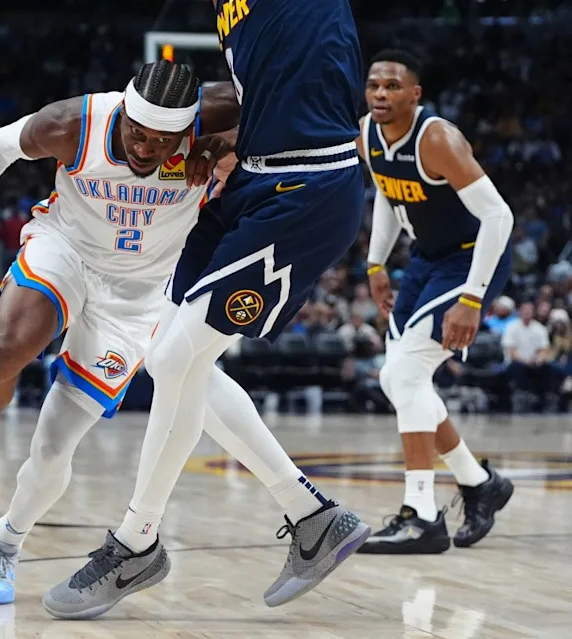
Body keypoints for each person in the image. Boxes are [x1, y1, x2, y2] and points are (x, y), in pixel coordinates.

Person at [0, 61, 264, 606]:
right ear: (126, 111)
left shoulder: (221, 114)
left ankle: (4, 543)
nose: (146, 148)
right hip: (66, 249)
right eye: (138, 133)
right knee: (6, 348)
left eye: (164, 140)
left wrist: (230, 140)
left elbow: (293, 108)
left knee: (54, 446)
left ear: (188, 128)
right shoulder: (74, 124)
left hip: (141, 292)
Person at [43, 0, 371, 618]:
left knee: (174, 360)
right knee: (168, 349)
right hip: (250, 178)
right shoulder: (229, 12)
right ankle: (312, 517)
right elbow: (269, 88)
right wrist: (223, 138)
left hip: (310, 187)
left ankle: (136, 541)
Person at [355, 50, 514, 554]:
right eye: (374, 86)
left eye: (393, 86)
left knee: (402, 376)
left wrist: (472, 297)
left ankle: (422, 515)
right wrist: (376, 263)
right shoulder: (367, 135)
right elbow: (386, 193)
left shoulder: (437, 139)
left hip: (472, 260)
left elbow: (499, 218)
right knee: (396, 377)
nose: (381, 94)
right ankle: (478, 481)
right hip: (426, 257)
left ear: (414, 94)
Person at [501, 300, 552, 397]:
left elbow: (543, 349)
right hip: (517, 361)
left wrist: (539, 359)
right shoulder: (511, 327)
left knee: (547, 367)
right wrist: (525, 361)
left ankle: (545, 396)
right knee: (517, 368)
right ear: (520, 311)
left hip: (534, 362)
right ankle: (521, 395)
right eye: (525, 310)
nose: (527, 313)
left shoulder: (540, 328)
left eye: (530, 310)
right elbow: (511, 351)